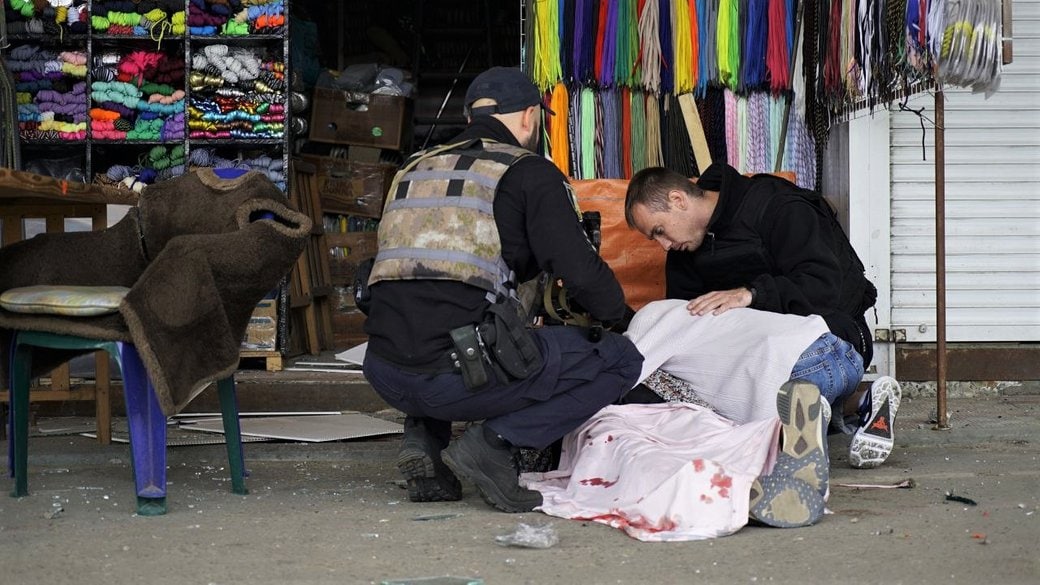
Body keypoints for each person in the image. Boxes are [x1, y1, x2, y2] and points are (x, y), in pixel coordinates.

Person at [361, 67, 644, 513]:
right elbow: (580, 271)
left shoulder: (412, 168)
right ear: (530, 116)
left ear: (470, 116)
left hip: (383, 371)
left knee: (437, 318)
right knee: (620, 360)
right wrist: (621, 318)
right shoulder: (528, 171)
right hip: (457, 377)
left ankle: (424, 440)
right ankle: (493, 445)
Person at [623, 164, 901, 469]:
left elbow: (825, 289)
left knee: (762, 389)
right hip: (763, 360)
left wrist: (751, 295)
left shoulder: (778, 206)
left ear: (678, 200)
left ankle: (800, 422)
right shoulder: (685, 250)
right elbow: (688, 325)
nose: (664, 245)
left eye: (659, 231)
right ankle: (855, 403)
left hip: (832, 341)